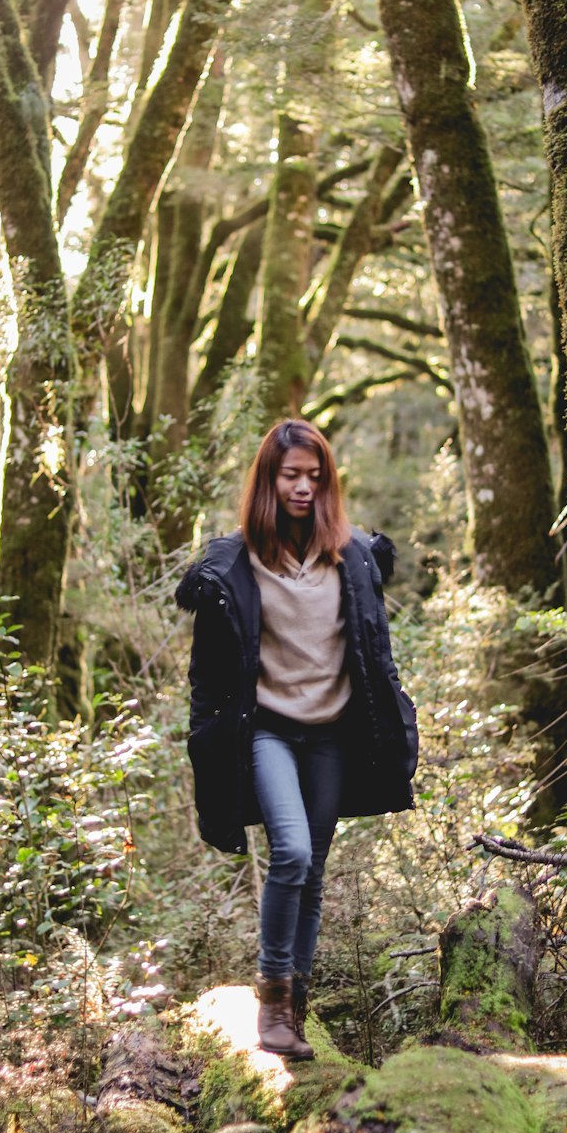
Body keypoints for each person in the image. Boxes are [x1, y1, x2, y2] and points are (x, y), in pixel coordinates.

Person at [175, 420, 418, 1060]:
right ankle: (272, 999)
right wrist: (205, 740)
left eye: (315, 475)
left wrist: (397, 720)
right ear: (269, 481)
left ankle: (297, 1007)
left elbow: (374, 652)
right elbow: (207, 678)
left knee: (313, 874)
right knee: (291, 853)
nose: (304, 487)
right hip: (268, 732)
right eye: (291, 476)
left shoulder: (355, 556)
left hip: (331, 736)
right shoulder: (231, 566)